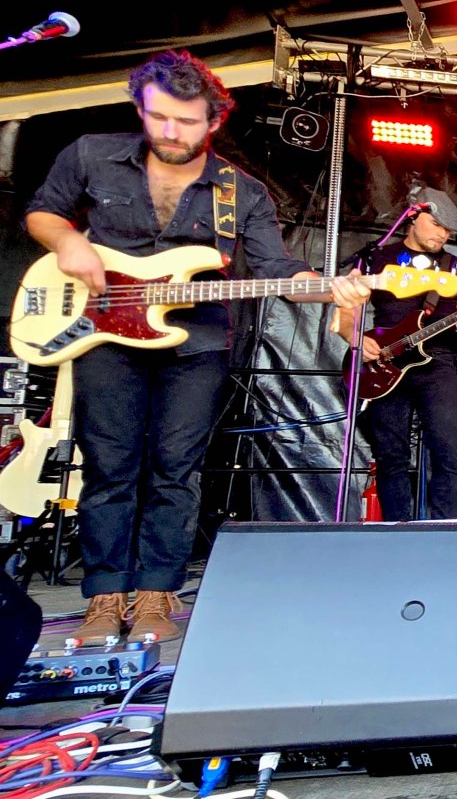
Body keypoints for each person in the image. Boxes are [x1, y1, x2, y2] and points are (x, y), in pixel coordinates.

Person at [25, 49, 370, 646]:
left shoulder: (242, 192)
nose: (169, 131)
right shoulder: (91, 154)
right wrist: (67, 243)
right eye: (157, 116)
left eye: (185, 121)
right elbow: (43, 213)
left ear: (214, 121)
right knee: (109, 466)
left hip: (197, 344)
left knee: (176, 469)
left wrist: (331, 287)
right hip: (102, 330)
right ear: (140, 108)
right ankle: (104, 596)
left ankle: (156, 592)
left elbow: (276, 269)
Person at [336, 188, 457, 522]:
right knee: (390, 453)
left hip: (437, 362)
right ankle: (395, 529)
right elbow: (347, 312)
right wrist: (355, 339)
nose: (442, 235)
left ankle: (444, 528)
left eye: (448, 231)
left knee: (448, 448)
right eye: (436, 224)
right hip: (384, 362)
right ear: (412, 217)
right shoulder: (376, 260)